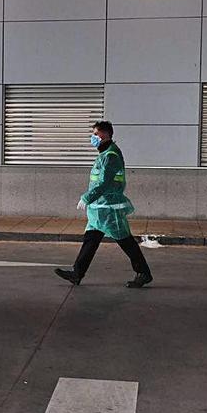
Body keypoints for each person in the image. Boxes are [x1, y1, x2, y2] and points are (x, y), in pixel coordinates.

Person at [55, 121, 153, 288]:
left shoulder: (111, 157)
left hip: (108, 208)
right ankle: (77, 273)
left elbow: (104, 182)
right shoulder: (105, 154)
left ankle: (143, 273)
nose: (93, 137)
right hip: (100, 209)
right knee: (91, 240)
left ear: (104, 135)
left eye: (95, 134)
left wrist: (87, 198)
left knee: (125, 240)